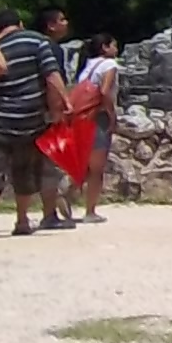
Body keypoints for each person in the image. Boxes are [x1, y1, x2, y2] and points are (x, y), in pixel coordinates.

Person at [0, 8, 67, 239]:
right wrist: (64, 103)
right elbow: (51, 75)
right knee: (24, 169)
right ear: (20, 24)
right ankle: (22, 220)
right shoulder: (38, 41)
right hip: (30, 117)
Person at [35, 8, 80, 228]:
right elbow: (53, 80)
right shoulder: (52, 49)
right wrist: (58, 112)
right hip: (47, 113)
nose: (66, 22)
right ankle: (49, 213)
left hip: (26, 110)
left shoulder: (35, 45)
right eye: (62, 19)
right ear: (51, 25)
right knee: (51, 164)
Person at [71, 35, 121, 222]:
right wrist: (112, 115)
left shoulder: (88, 65)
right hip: (98, 117)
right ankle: (90, 211)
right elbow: (104, 91)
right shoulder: (109, 65)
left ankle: (66, 192)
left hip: (81, 117)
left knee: (83, 162)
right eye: (114, 44)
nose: (117, 48)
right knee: (96, 169)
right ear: (105, 47)